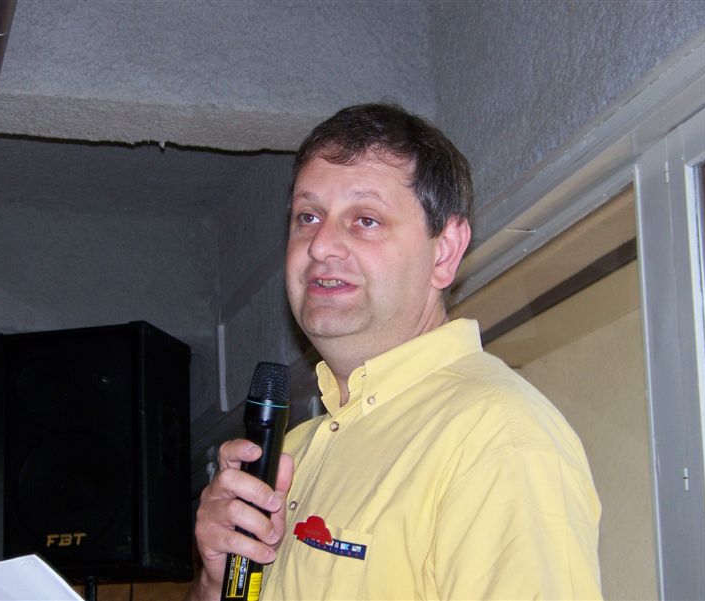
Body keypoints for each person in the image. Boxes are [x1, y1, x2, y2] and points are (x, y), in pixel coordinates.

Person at [188, 103, 602, 600]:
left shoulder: (497, 436)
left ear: (445, 251)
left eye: (365, 219)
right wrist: (214, 584)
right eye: (308, 216)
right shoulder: (291, 451)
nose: (320, 245)